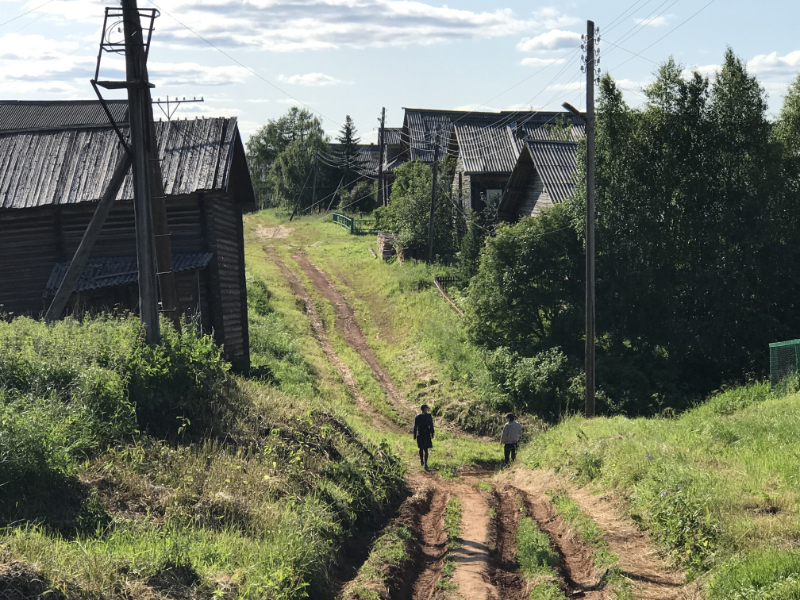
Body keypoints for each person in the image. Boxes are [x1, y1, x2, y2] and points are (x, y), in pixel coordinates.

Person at [413, 404, 434, 470]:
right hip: (426, 434)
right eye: (426, 408)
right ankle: (425, 463)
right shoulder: (428, 416)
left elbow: (415, 427)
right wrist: (432, 433)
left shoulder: (417, 416)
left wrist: (414, 435)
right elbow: (431, 425)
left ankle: (422, 461)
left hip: (420, 434)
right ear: (425, 409)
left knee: (421, 448)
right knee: (426, 449)